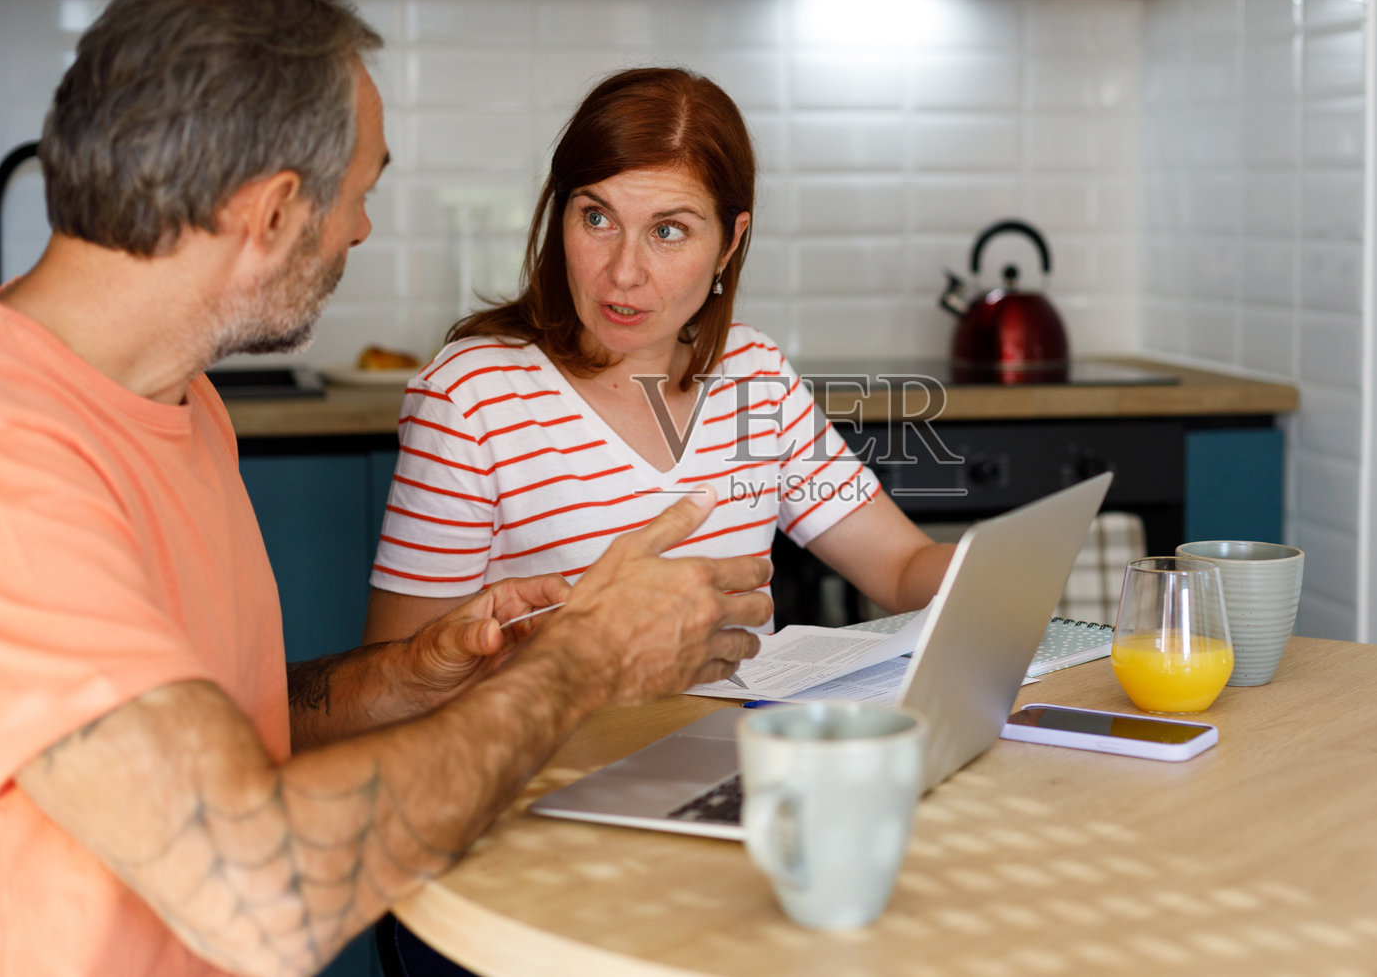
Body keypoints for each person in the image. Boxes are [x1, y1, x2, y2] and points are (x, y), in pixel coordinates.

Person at [0, 0, 768, 977]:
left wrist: (409, 673)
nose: (361, 227)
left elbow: (207, 726)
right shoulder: (18, 455)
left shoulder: (178, 401)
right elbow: (266, 894)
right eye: (359, 194)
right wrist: (583, 661)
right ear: (273, 212)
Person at [363, 67, 956, 644]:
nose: (623, 272)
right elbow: (395, 684)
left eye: (667, 230)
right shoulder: (472, 398)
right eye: (597, 218)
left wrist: (1032, 564)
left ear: (729, 242)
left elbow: (903, 568)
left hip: (740, 744)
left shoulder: (753, 373)